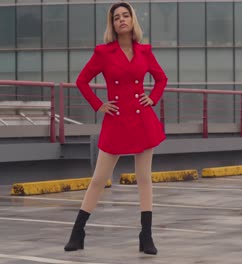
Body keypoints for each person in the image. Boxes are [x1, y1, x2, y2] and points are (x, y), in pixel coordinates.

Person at [64, 1, 167, 255]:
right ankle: (78, 232)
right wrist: (99, 105)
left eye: (125, 15)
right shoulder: (103, 53)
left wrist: (152, 98)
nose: (121, 19)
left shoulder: (145, 51)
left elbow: (161, 78)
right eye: (116, 17)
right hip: (117, 120)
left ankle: (146, 236)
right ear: (112, 24)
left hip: (142, 120)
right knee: (99, 179)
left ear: (132, 20)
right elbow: (82, 81)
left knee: (144, 179)